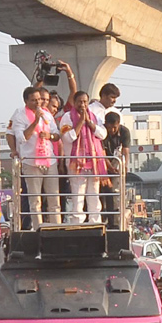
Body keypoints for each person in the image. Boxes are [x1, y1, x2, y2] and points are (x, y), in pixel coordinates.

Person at [10, 87, 60, 229]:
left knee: (54, 198)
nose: (38, 103)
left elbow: (57, 134)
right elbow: (21, 138)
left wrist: (49, 136)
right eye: (33, 100)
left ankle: (56, 228)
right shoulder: (20, 116)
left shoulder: (47, 114)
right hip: (31, 162)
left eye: (39, 99)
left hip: (49, 160)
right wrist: (35, 121)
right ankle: (39, 228)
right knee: (35, 200)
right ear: (26, 101)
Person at [60, 91, 107, 225]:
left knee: (94, 195)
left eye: (85, 102)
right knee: (78, 194)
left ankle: (95, 221)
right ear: (74, 103)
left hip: (93, 162)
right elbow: (68, 138)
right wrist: (81, 122)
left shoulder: (94, 117)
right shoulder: (67, 117)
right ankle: (77, 222)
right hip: (76, 163)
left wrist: (90, 123)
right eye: (80, 102)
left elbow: (103, 134)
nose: (83, 105)